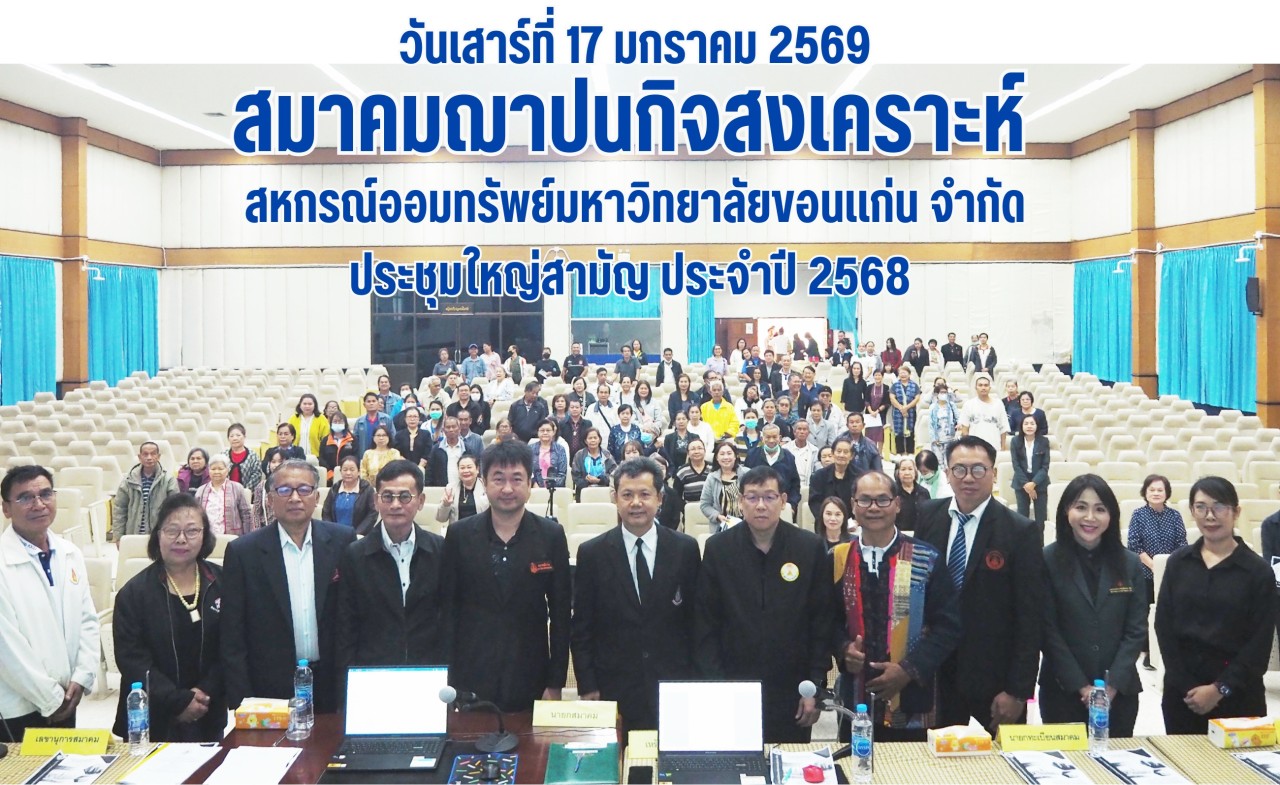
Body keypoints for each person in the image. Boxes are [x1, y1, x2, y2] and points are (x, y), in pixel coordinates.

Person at [913, 437, 1044, 730]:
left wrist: (1017, 691)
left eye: (978, 469)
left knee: (1003, 758)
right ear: (947, 474)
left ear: (994, 474)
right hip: (936, 673)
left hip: (995, 680)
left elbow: (1030, 617)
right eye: (959, 469)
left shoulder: (1020, 531)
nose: (968, 478)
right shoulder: (929, 515)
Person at [695, 466, 832, 743]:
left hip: (794, 687)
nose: (760, 505)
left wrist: (815, 686)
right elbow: (706, 623)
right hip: (734, 684)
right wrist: (716, 686)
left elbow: (821, 621)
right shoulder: (719, 549)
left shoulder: (810, 548)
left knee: (789, 761)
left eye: (769, 497)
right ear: (740, 501)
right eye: (752, 497)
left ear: (783, 501)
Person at [572, 458, 702, 731]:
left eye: (645, 494)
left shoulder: (685, 549)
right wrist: (587, 684)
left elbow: (697, 622)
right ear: (614, 498)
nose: (636, 503)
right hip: (613, 686)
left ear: (660, 498)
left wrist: (697, 681)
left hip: (674, 685)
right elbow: (582, 626)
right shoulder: (592, 553)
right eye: (627, 495)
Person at [441, 441, 572, 711]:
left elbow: (560, 615)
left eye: (517, 479)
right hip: (470, 676)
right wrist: (448, 677)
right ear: (484, 482)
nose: (508, 489)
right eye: (498, 479)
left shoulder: (551, 535)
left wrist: (555, 682)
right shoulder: (459, 535)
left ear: (530, 483)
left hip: (531, 674)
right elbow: (446, 610)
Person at [832, 472, 962, 741]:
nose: (874, 508)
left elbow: (948, 627)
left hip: (913, 700)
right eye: (865, 500)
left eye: (883, 499)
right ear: (853, 505)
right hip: (855, 698)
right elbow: (825, 620)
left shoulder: (927, 558)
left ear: (898, 504)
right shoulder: (837, 558)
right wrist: (843, 649)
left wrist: (908, 669)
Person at [221, 460, 355, 714]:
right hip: (270, 685)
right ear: (270, 499)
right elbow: (232, 634)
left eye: (304, 489)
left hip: (332, 681)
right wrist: (241, 701)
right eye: (284, 490)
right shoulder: (243, 552)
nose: (295, 498)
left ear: (316, 497)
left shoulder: (342, 540)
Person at [1156, 477, 1274, 734]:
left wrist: (1220, 689)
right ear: (1192, 511)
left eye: (1219, 506)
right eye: (1201, 507)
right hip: (1183, 697)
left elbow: (1259, 644)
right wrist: (1187, 687)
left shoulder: (1258, 572)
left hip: (1239, 697)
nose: (1210, 515)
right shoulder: (1178, 563)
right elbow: (1163, 627)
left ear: (1236, 512)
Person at [1040, 475, 1147, 738]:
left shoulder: (1130, 563)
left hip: (1120, 693)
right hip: (1062, 691)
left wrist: (1111, 687)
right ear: (1066, 511)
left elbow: (1136, 629)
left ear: (1111, 515)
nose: (1090, 517)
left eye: (1100, 509)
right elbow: (1047, 630)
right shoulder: (1047, 560)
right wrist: (1081, 687)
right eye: (1081, 507)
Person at [112, 493, 225, 742]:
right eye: (172, 530)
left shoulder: (224, 582)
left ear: (205, 535)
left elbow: (232, 646)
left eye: (192, 531)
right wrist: (179, 701)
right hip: (151, 719)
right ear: (158, 535)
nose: (181, 539)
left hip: (208, 710)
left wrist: (205, 692)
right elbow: (132, 660)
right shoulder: (134, 593)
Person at [0, 465, 99, 739]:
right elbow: (6, 646)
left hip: (68, 697)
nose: (39, 504)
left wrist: (81, 677)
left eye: (45, 494)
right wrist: (50, 698)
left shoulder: (70, 553)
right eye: (25, 497)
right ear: (6, 508)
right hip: (18, 707)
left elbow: (87, 621)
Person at [337, 460, 447, 674]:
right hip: (373, 673)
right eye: (387, 496)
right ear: (376, 501)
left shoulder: (440, 550)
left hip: (429, 672)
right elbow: (346, 627)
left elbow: (448, 620)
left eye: (405, 496)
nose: (395, 505)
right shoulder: (355, 555)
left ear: (421, 501)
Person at [113, 441, 182, 540]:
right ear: (139, 457)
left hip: (159, 537)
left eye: (153, 454)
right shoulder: (128, 480)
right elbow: (120, 509)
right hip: (133, 535)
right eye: (145, 454)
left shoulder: (169, 480)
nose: (149, 457)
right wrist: (118, 536)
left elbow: (175, 510)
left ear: (158, 456)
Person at [745, 424, 801, 513]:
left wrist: (792, 505)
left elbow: (795, 485)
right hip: (757, 505)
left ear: (780, 438)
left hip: (782, 506)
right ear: (762, 438)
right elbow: (746, 483)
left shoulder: (789, 456)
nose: (771, 440)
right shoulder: (752, 455)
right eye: (768, 437)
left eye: (774, 437)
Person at [195, 454, 253, 535]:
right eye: (213, 469)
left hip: (233, 536)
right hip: (208, 537)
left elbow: (246, 514)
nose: (216, 472)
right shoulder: (201, 490)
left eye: (220, 469)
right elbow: (196, 515)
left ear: (227, 470)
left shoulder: (237, 488)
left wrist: (246, 536)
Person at [1010, 414, 1051, 526]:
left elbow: (1045, 466)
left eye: (1032, 424)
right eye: (1026, 424)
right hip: (1021, 483)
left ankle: (1040, 537)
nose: (1029, 426)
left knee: (1041, 517)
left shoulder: (1044, 441)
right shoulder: (1015, 441)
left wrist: (1033, 483)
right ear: (1021, 426)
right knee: (1022, 517)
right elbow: (1016, 465)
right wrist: (1027, 485)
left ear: (1037, 426)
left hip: (1040, 482)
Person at [322, 456, 378, 535]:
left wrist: (356, 534)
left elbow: (372, 514)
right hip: (335, 535)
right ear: (340, 471)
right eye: (345, 470)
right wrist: (332, 531)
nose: (348, 473)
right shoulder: (334, 489)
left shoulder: (367, 489)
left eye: (352, 469)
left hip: (359, 536)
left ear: (358, 472)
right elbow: (326, 512)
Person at [700, 440, 747, 533]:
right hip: (721, 528)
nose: (726, 457)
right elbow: (705, 505)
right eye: (722, 454)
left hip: (746, 526)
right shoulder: (711, 478)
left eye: (729, 453)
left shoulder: (747, 474)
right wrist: (717, 516)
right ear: (717, 458)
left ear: (735, 456)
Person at [808, 437, 859, 524]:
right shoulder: (818, 476)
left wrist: (856, 521)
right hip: (825, 523)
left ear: (852, 456)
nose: (841, 455)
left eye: (845, 452)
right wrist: (828, 519)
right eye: (838, 451)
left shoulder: (860, 477)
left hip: (852, 524)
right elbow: (815, 503)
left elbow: (861, 502)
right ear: (833, 453)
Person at [959, 373, 1008, 452]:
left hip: (994, 447)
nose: (983, 388)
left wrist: (1002, 448)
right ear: (976, 387)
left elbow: (1003, 428)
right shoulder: (968, 404)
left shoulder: (998, 404)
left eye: (986, 385)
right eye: (980, 385)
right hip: (974, 448)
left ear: (990, 388)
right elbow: (965, 430)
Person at [426, 415, 481, 487]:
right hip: (441, 489)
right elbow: (429, 472)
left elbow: (475, 470)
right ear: (443, 430)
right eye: (448, 427)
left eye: (454, 427)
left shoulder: (467, 449)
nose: (451, 429)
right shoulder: (436, 449)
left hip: (464, 489)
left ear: (459, 429)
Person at [435, 453, 489, 526]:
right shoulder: (451, 488)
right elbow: (441, 518)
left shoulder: (486, 486)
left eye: (469, 467)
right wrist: (446, 505)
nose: (466, 471)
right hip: (458, 530)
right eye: (462, 468)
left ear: (477, 469)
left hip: (481, 530)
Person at [571, 427, 616, 500]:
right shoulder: (579, 455)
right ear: (585, 441)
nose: (593, 440)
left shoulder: (607, 455)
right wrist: (587, 482)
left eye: (595, 438)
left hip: (604, 492)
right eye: (590, 438)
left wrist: (599, 480)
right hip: (584, 492)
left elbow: (613, 474)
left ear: (599, 439)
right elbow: (575, 476)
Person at [927, 379, 961, 467]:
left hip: (950, 437)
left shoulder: (952, 405)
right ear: (937, 394)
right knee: (939, 462)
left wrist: (959, 425)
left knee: (949, 461)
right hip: (937, 438)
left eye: (945, 392)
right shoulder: (933, 407)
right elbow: (930, 424)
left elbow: (958, 418)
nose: (943, 394)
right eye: (941, 392)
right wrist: (934, 438)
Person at [889, 366, 922, 456]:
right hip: (897, 412)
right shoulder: (895, 385)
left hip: (911, 412)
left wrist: (906, 408)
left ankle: (910, 453)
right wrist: (901, 408)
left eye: (904, 372)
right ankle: (900, 453)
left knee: (911, 431)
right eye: (901, 373)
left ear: (909, 374)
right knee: (898, 433)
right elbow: (892, 398)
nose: (902, 375)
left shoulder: (914, 385)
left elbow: (917, 398)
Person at [893, 458, 931, 533]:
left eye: (910, 469)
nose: (907, 473)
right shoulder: (892, 492)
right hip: (899, 534)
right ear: (898, 472)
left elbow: (929, 516)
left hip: (920, 534)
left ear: (915, 472)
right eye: (903, 469)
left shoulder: (923, 492)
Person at [353, 392, 395, 459]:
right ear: (364, 405)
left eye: (373, 401)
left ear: (378, 403)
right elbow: (355, 441)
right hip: (365, 456)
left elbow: (392, 437)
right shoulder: (359, 422)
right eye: (368, 401)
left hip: (384, 455)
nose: (371, 403)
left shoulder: (387, 419)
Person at [319, 411, 356, 485]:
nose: (338, 423)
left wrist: (346, 471)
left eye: (340, 421)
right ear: (331, 423)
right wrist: (331, 475)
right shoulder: (325, 440)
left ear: (345, 423)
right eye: (335, 421)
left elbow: (356, 456)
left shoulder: (352, 439)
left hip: (348, 474)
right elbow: (321, 459)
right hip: (330, 478)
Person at [392, 405, 433, 473]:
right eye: (409, 416)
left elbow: (427, 453)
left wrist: (419, 468)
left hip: (422, 469)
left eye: (415, 416)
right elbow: (397, 452)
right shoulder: (399, 435)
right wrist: (407, 467)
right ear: (405, 418)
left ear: (419, 418)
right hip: (403, 468)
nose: (412, 419)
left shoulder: (426, 434)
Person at [531, 419, 569, 489]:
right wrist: (534, 484)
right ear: (538, 432)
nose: (545, 433)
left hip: (556, 489)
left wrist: (551, 487)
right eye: (542, 430)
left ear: (553, 432)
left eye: (548, 430)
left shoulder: (560, 449)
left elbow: (562, 473)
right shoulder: (531, 449)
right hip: (535, 488)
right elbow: (528, 471)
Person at [225, 424, 263, 494]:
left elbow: (256, 475)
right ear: (228, 439)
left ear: (244, 437)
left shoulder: (253, 456)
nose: (235, 438)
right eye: (231, 436)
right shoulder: (223, 455)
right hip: (226, 493)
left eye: (238, 435)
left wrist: (245, 492)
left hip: (247, 494)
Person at [289, 393, 330, 459]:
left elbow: (326, 439)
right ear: (300, 405)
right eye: (304, 404)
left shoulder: (321, 419)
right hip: (296, 457)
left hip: (316, 457)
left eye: (310, 404)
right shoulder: (293, 418)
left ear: (315, 405)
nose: (307, 406)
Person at [865, 370, 890, 452]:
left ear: (882, 376)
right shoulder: (869, 387)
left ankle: (879, 453)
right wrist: (871, 411)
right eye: (876, 375)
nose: (877, 377)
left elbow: (886, 402)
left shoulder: (886, 387)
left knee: (880, 434)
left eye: (879, 375)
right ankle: (871, 452)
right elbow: (866, 400)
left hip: (881, 414)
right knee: (870, 433)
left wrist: (877, 411)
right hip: (870, 414)